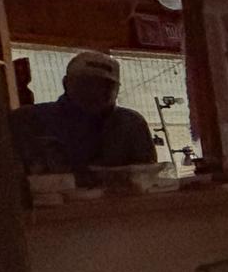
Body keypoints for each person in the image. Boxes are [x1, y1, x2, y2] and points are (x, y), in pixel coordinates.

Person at [9, 49, 157, 178]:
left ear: (117, 89)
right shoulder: (26, 120)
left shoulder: (132, 124)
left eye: (106, 86)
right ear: (66, 83)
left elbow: (150, 180)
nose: (95, 92)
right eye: (86, 83)